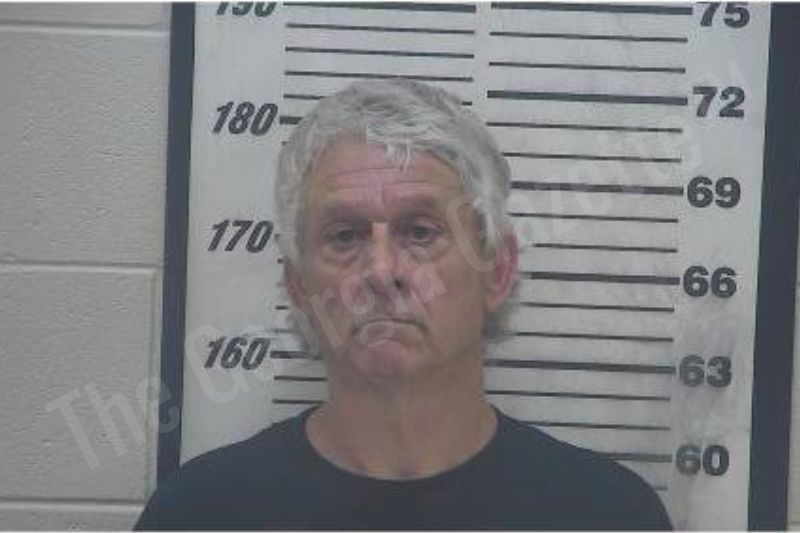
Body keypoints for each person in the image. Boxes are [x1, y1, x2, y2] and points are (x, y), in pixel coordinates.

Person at [135, 79, 672, 530]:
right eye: (345, 236)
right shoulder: (199, 515)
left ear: (498, 270)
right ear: (298, 287)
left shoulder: (608, 515)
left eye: (420, 232)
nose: (381, 270)